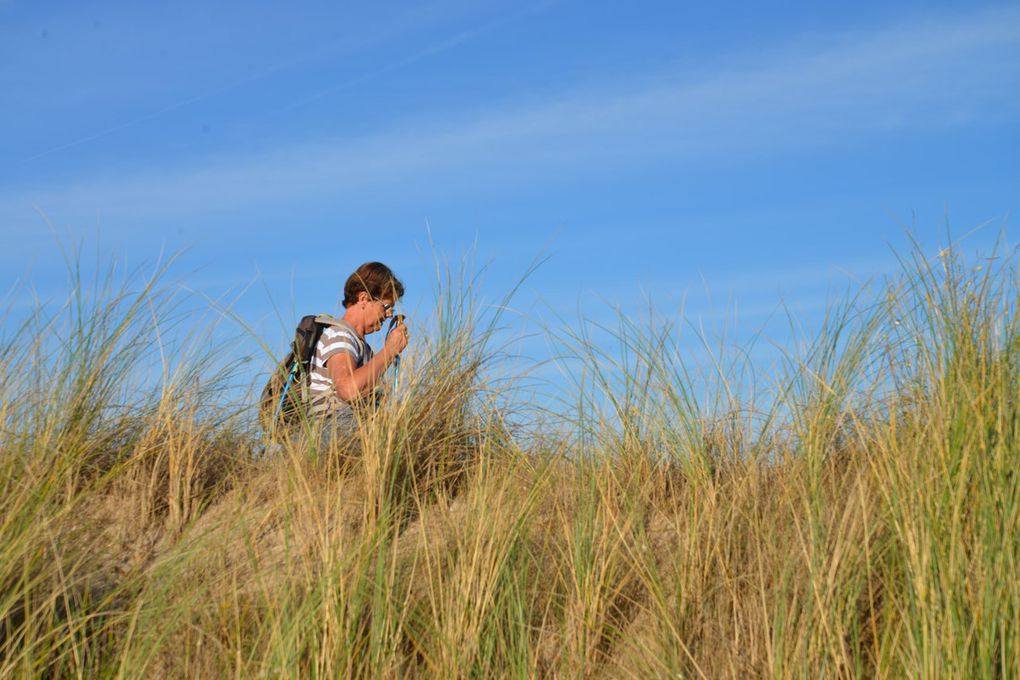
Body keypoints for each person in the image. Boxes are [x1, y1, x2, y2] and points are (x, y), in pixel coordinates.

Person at [307, 262, 409, 431]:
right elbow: (348, 390)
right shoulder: (340, 335)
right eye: (386, 307)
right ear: (363, 299)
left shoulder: (358, 344)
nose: (389, 314)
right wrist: (390, 351)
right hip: (331, 433)